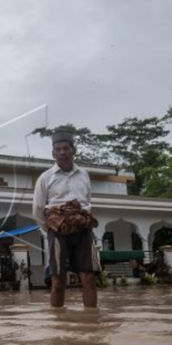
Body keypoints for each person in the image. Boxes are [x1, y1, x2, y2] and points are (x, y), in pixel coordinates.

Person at [33, 131, 98, 308]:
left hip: (84, 231)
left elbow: (87, 201)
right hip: (58, 232)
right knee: (58, 280)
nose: (62, 152)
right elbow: (38, 209)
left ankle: (92, 323)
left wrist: (80, 219)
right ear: (53, 153)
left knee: (89, 277)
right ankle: (58, 326)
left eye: (66, 148)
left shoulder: (84, 174)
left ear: (73, 150)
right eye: (58, 149)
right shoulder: (45, 178)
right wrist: (51, 229)